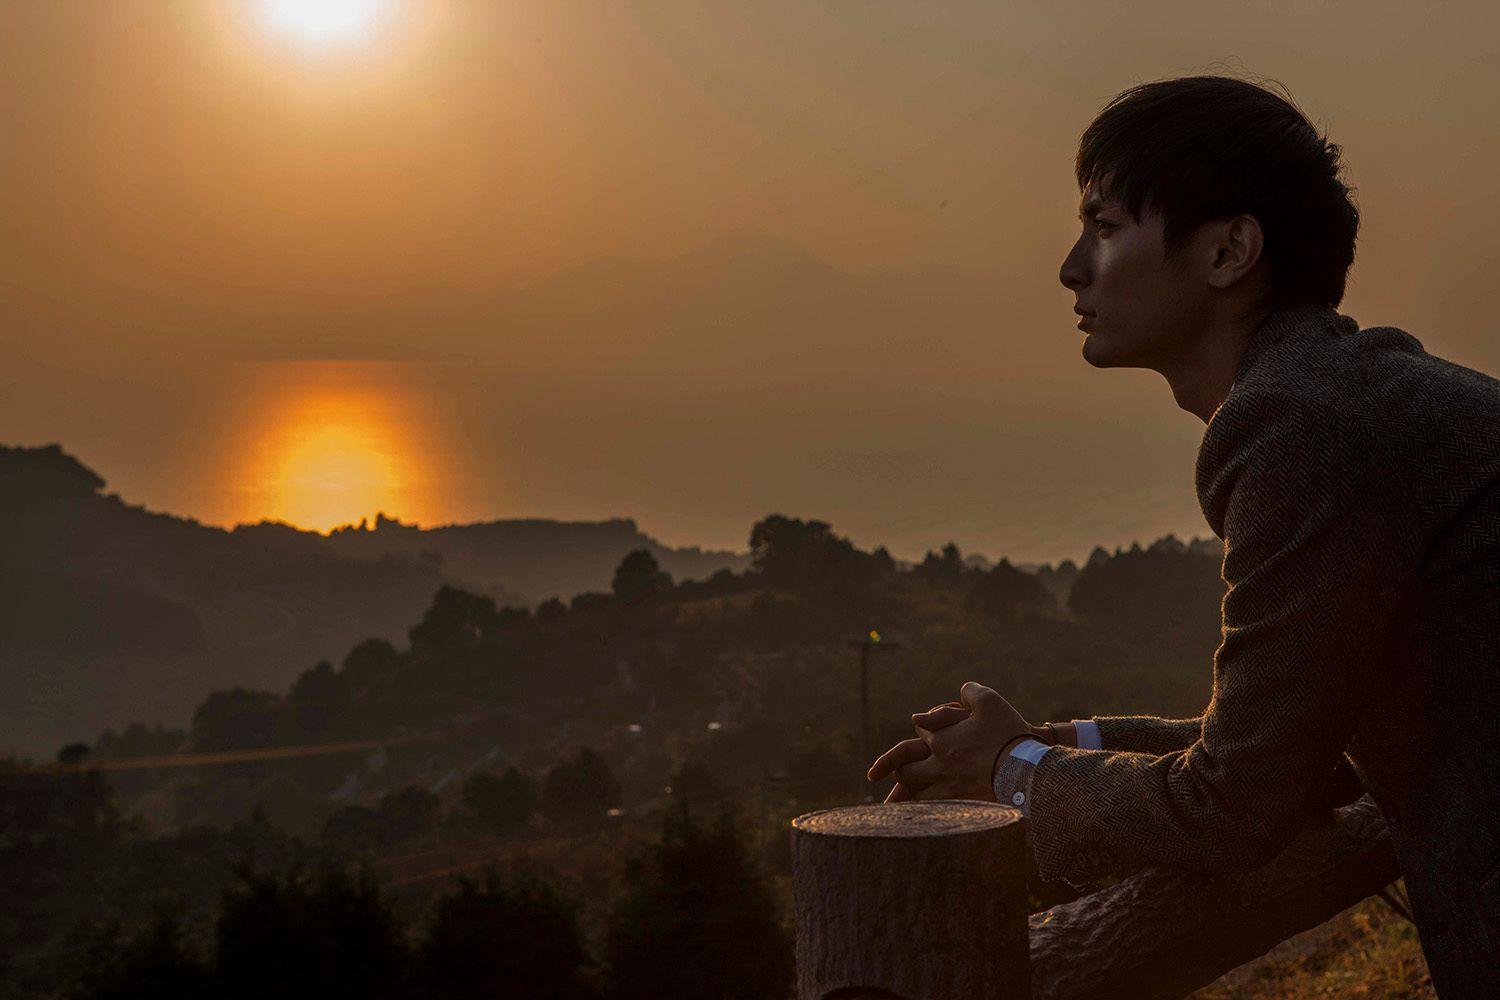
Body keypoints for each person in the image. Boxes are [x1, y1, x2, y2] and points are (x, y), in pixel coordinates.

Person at [865, 75, 1499, 996]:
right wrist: (1049, 745)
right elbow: (1287, 749)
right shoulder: (1356, 397)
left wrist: (1013, 769)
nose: (1071, 266)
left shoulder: (1301, 426)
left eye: (1108, 225)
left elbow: (1234, 803)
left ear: (1229, 250)